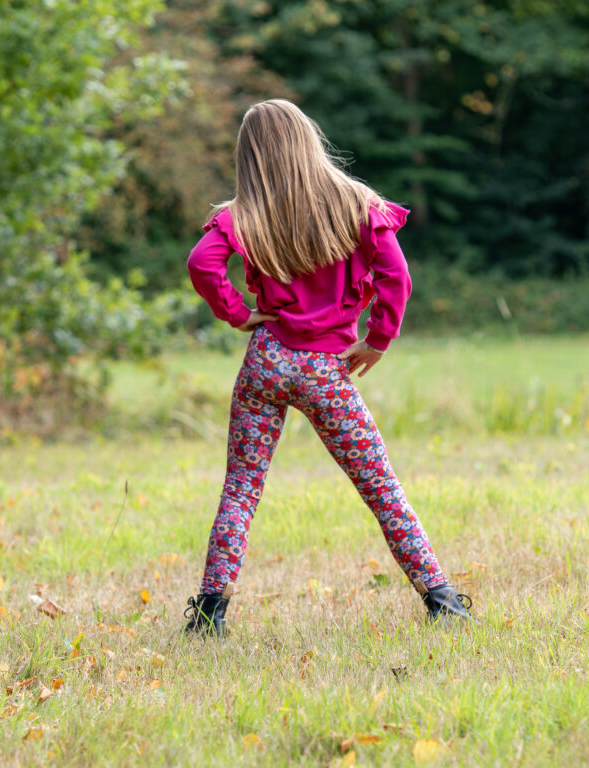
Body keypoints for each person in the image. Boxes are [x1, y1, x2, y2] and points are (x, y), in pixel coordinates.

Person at [183, 99, 472, 637]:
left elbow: (201, 263)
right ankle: (442, 601)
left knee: (242, 488)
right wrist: (378, 340)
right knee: (380, 487)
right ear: (308, 141)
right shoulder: (356, 203)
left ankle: (208, 612)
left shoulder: (240, 215)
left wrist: (238, 313)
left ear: (249, 157)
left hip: (267, 360)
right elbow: (397, 277)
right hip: (326, 369)